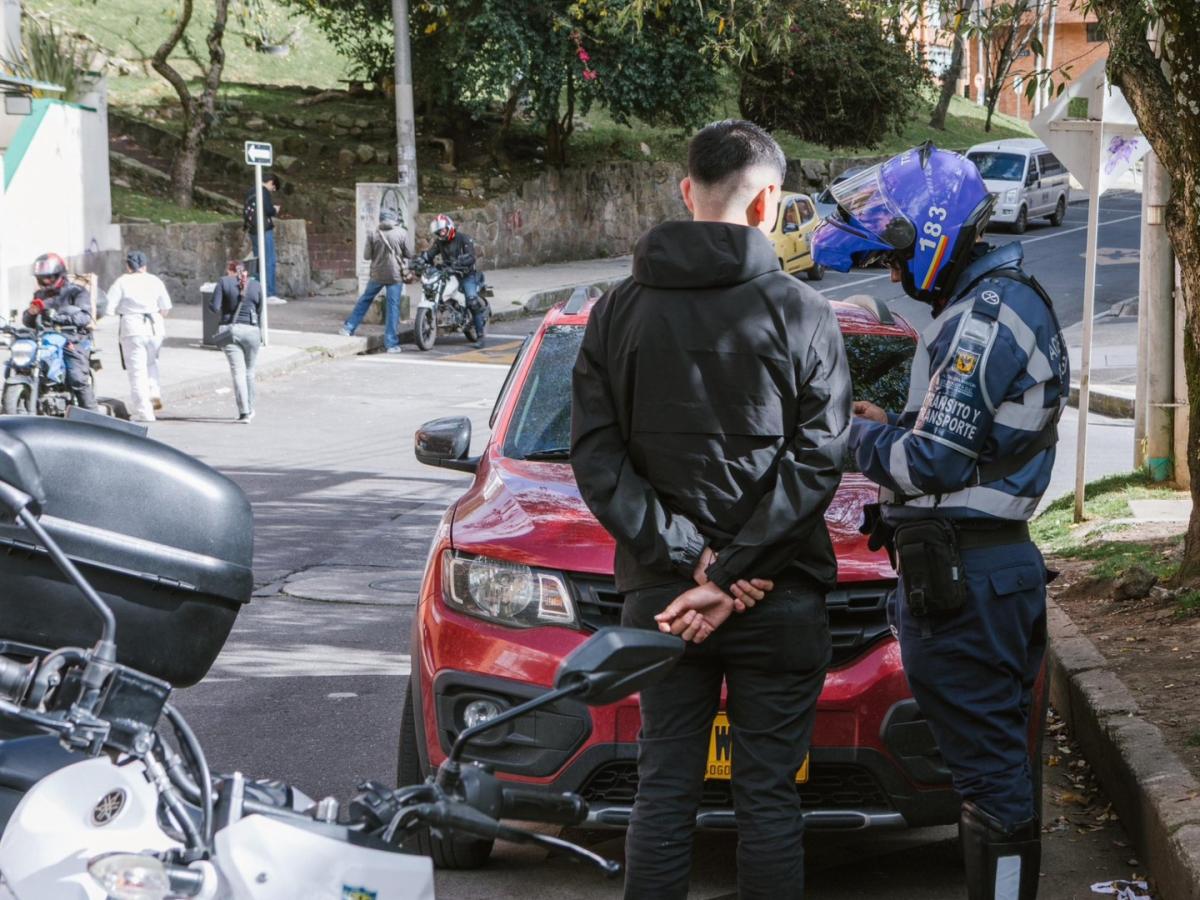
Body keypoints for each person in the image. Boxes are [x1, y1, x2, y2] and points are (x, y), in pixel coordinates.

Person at [570, 119, 852, 900]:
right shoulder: (804, 314)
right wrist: (733, 572)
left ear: (687, 193)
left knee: (663, 787)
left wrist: (690, 562)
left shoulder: (616, 312)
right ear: (770, 204)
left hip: (664, 600)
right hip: (779, 592)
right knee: (768, 799)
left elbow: (597, 459)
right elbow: (818, 459)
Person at [810, 142, 1068, 900]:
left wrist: (845, 435)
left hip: (970, 577)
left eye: (895, 259)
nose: (893, 274)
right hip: (977, 570)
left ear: (933, 239)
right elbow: (963, 442)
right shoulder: (988, 303)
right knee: (993, 773)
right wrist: (890, 421)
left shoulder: (986, 315)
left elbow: (933, 464)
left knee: (991, 779)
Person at [23, 252, 97, 410]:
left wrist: (58, 318)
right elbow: (28, 322)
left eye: (49, 277)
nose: (46, 281)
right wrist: (31, 313)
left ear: (59, 275)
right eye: (42, 277)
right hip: (46, 340)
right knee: (19, 363)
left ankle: (95, 420)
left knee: (77, 378)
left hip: (73, 338)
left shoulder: (76, 292)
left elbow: (84, 318)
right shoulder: (39, 295)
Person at [105, 250, 171, 422]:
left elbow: (108, 308)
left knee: (137, 371)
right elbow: (165, 307)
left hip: (133, 328)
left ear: (128, 266)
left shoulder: (122, 282)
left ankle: (145, 411)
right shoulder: (155, 281)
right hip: (155, 327)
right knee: (152, 363)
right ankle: (154, 398)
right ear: (145, 265)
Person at [339, 208, 409, 353]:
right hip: (395, 276)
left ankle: (348, 328)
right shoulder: (401, 232)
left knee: (365, 300)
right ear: (394, 218)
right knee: (393, 307)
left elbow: (366, 256)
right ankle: (391, 344)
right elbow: (409, 253)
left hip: (377, 274)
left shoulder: (373, 233)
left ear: (381, 219)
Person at [418, 214, 485, 349]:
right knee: (434, 289)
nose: (441, 234)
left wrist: (461, 261)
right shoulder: (440, 242)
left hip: (466, 274)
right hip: (448, 272)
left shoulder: (464, 239)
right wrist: (420, 260)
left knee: (472, 301)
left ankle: (480, 335)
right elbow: (430, 254)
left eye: (442, 230)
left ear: (449, 227)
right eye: (439, 232)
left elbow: (471, 257)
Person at [209, 261, 263, 423]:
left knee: (238, 372)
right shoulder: (256, 285)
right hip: (252, 330)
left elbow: (214, 307)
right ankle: (251, 408)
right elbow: (259, 310)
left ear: (229, 270)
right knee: (249, 371)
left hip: (230, 331)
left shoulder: (224, 282)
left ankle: (244, 412)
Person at [243, 173, 283, 303]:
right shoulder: (263, 191)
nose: (273, 190)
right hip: (264, 230)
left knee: (258, 262)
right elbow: (268, 210)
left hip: (253, 230)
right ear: (270, 182)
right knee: (269, 261)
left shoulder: (251, 191)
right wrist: (275, 209)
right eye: (274, 187)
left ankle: (258, 292)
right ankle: (270, 293)